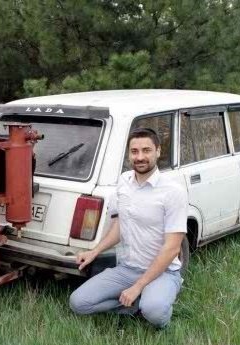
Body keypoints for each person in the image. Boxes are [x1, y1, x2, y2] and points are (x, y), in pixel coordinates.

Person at [69, 128, 188, 328]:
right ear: (129, 154)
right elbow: (119, 226)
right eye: (134, 151)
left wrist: (138, 286)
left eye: (146, 150)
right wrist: (94, 251)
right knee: (79, 303)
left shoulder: (173, 192)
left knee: (156, 315)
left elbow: (172, 248)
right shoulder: (124, 182)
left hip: (163, 272)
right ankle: (137, 305)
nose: (140, 157)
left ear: (158, 151)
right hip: (127, 269)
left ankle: (155, 298)